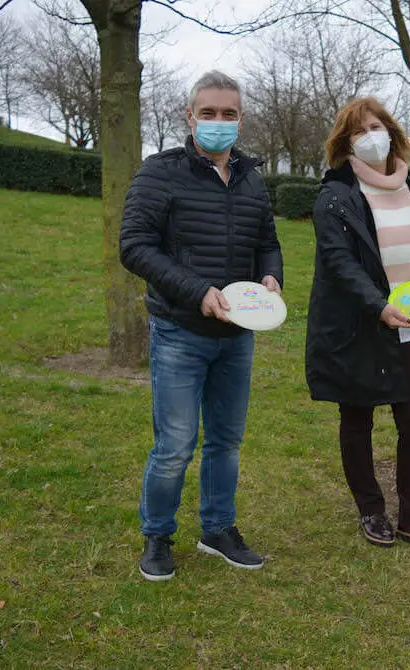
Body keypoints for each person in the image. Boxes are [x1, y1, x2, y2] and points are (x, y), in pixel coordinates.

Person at [120, 70, 282, 580]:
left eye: (228, 114)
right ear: (189, 116)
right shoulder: (158, 173)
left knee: (226, 442)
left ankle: (217, 529)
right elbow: (135, 247)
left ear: (241, 119)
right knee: (174, 446)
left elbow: (267, 242)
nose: (218, 122)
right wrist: (197, 292)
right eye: (207, 112)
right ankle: (157, 536)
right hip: (179, 332)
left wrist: (272, 276)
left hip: (237, 336)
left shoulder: (253, 178)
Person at [305, 97, 410, 554]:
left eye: (376, 127)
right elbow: (340, 265)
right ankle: (371, 511)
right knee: (357, 419)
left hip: (409, 321)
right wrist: (377, 306)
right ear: (345, 143)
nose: (370, 137)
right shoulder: (335, 197)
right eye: (358, 132)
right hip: (359, 325)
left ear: (393, 134)